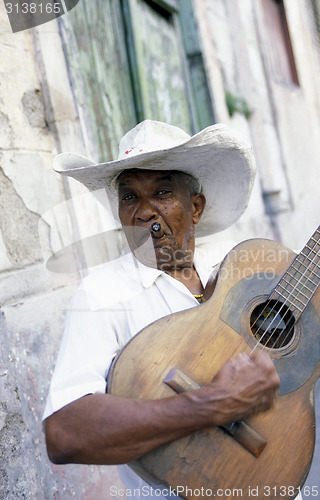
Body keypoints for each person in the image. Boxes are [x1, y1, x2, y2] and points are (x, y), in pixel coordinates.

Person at [43, 120, 280, 498]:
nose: (144, 212)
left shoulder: (237, 264)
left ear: (196, 207)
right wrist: (209, 405)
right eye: (129, 197)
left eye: (163, 192)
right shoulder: (101, 294)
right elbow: (64, 433)